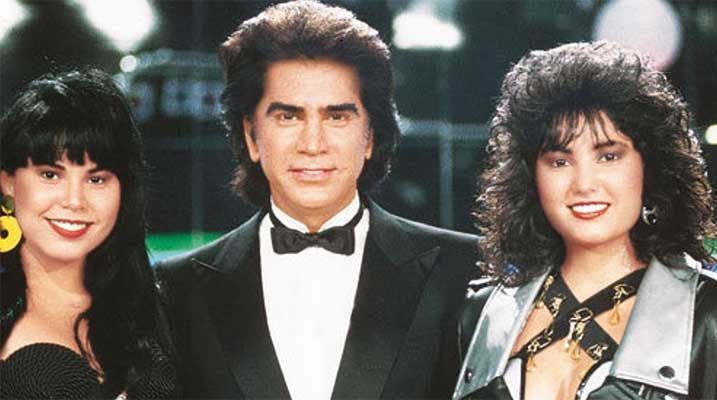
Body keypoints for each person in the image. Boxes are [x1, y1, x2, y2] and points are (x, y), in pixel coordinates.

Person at [155, 1, 480, 398]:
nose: (313, 143)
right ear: (251, 137)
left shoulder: (463, 272)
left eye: (337, 117)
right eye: (288, 117)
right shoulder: (179, 290)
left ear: (370, 136)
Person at [452, 41, 717, 400]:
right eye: (560, 161)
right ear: (531, 176)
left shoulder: (711, 316)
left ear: (650, 166)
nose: (584, 184)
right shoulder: (482, 313)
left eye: (608, 156)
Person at [0, 69, 179, 398]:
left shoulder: (155, 313)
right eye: (50, 175)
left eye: (96, 179)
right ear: (8, 183)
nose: (74, 200)